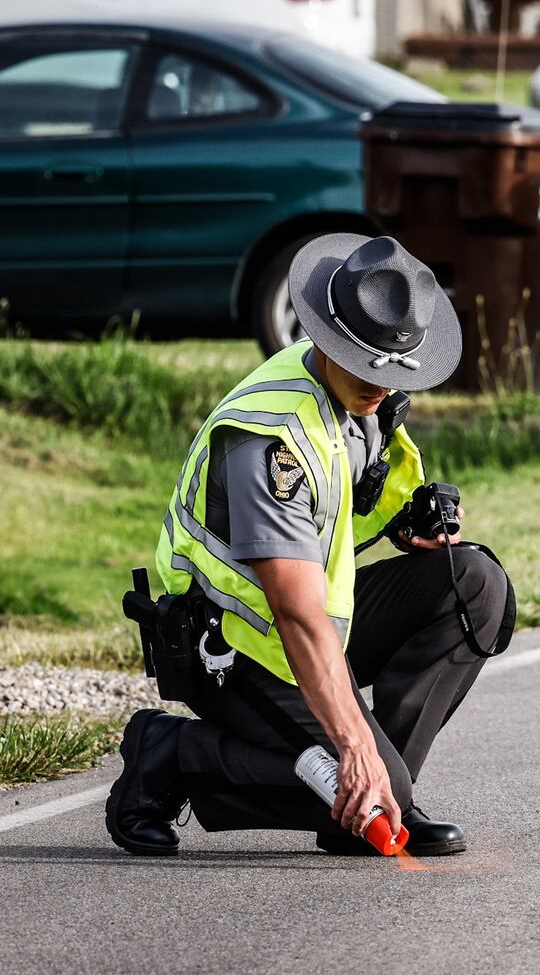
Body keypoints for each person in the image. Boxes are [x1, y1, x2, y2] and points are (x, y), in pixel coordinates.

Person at [105, 234, 514, 858]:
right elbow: (295, 612)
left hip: (312, 628)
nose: (381, 381)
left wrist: (408, 526)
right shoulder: (269, 440)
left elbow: (343, 507)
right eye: (366, 362)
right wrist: (352, 748)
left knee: (474, 586)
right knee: (379, 795)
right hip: (235, 647)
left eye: (392, 365)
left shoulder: (364, 397)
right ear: (328, 336)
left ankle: (368, 795)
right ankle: (170, 755)